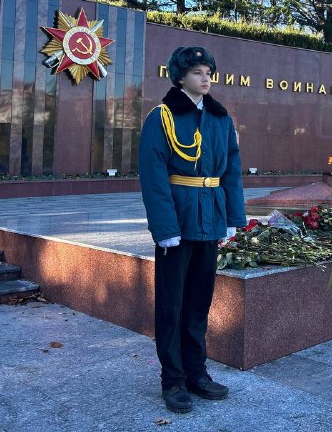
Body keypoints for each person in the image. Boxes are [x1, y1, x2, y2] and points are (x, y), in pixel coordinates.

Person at [139, 46, 246, 414]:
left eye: (209, 72)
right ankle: (173, 380)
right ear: (180, 77)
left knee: (199, 302)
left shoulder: (220, 118)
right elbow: (153, 177)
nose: (206, 78)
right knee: (171, 304)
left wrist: (234, 218)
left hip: (210, 218)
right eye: (198, 72)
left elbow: (231, 170)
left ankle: (197, 374)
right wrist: (164, 228)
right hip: (178, 223)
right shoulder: (162, 117)